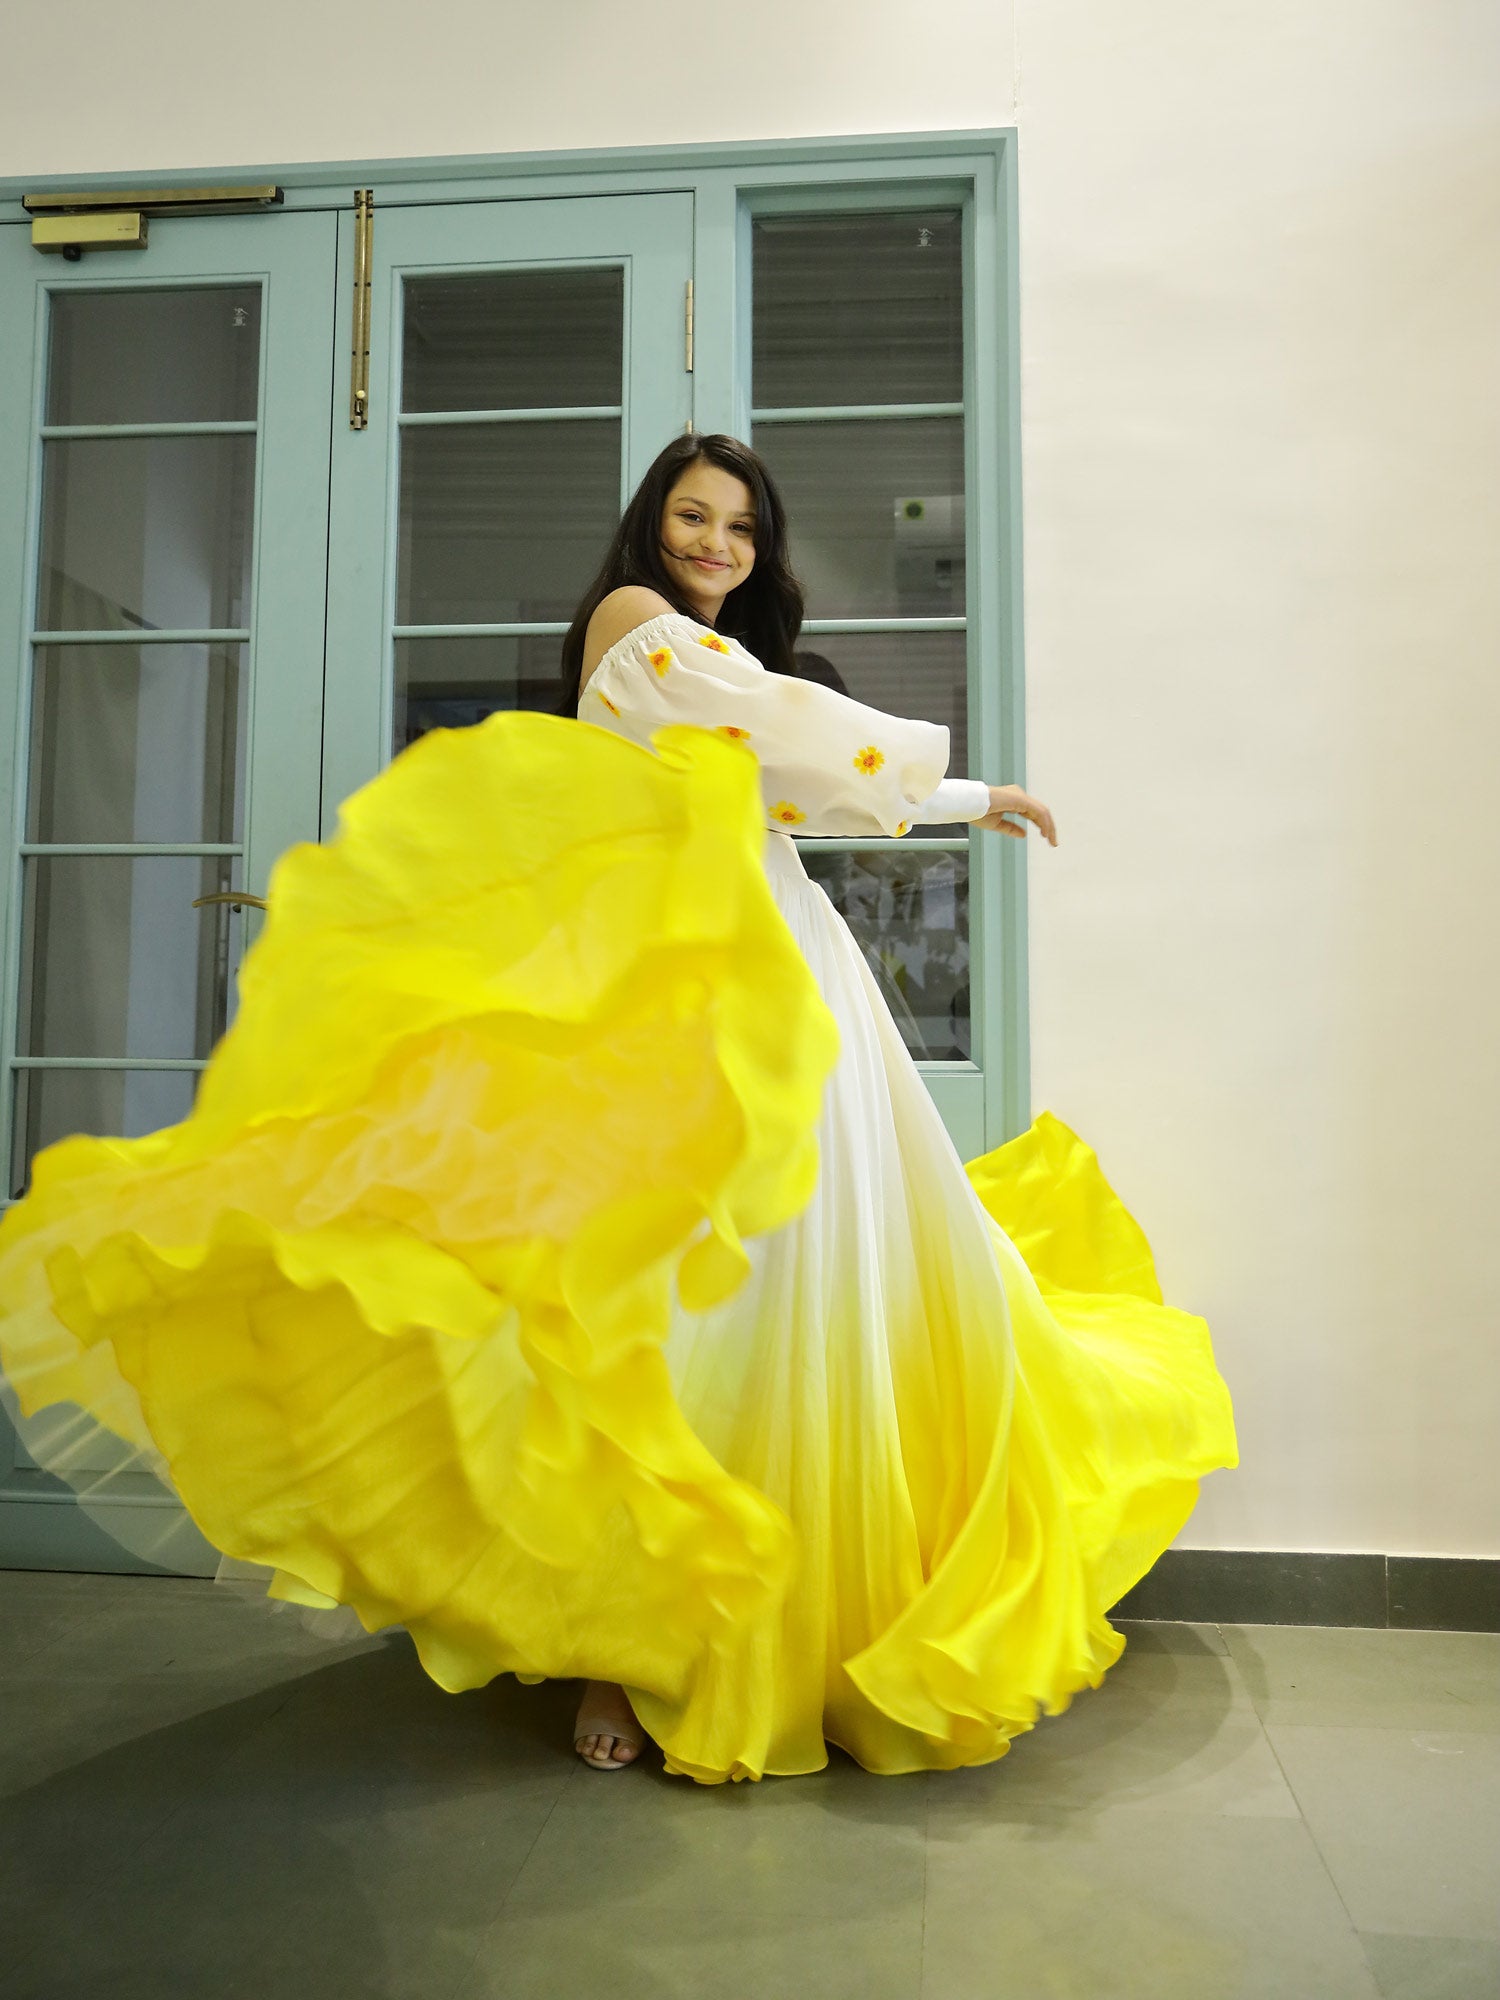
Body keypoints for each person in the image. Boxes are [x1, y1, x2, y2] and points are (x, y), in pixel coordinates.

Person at [0, 434, 1237, 1788]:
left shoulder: (717, 668)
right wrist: (952, 777)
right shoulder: (636, 626)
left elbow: (786, 782)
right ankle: (631, 1651)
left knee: (799, 1301)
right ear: (652, 530)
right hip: (692, 995)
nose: (717, 544)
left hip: (784, 977)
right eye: (695, 518)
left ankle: (795, 1619)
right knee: (675, 1312)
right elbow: (790, 737)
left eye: (743, 529)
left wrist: (963, 799)